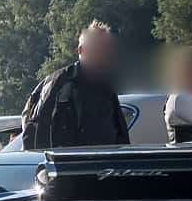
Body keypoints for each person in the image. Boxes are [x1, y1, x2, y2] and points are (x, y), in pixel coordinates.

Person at [19, 21, 131, 149]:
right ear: (81, 50)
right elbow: (36, 134)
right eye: (98, 50)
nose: (104, 57)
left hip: (104, 165)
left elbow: (121, 137)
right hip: (67, 165)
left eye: (106, 51)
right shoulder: (59, 84)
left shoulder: (106, 88)